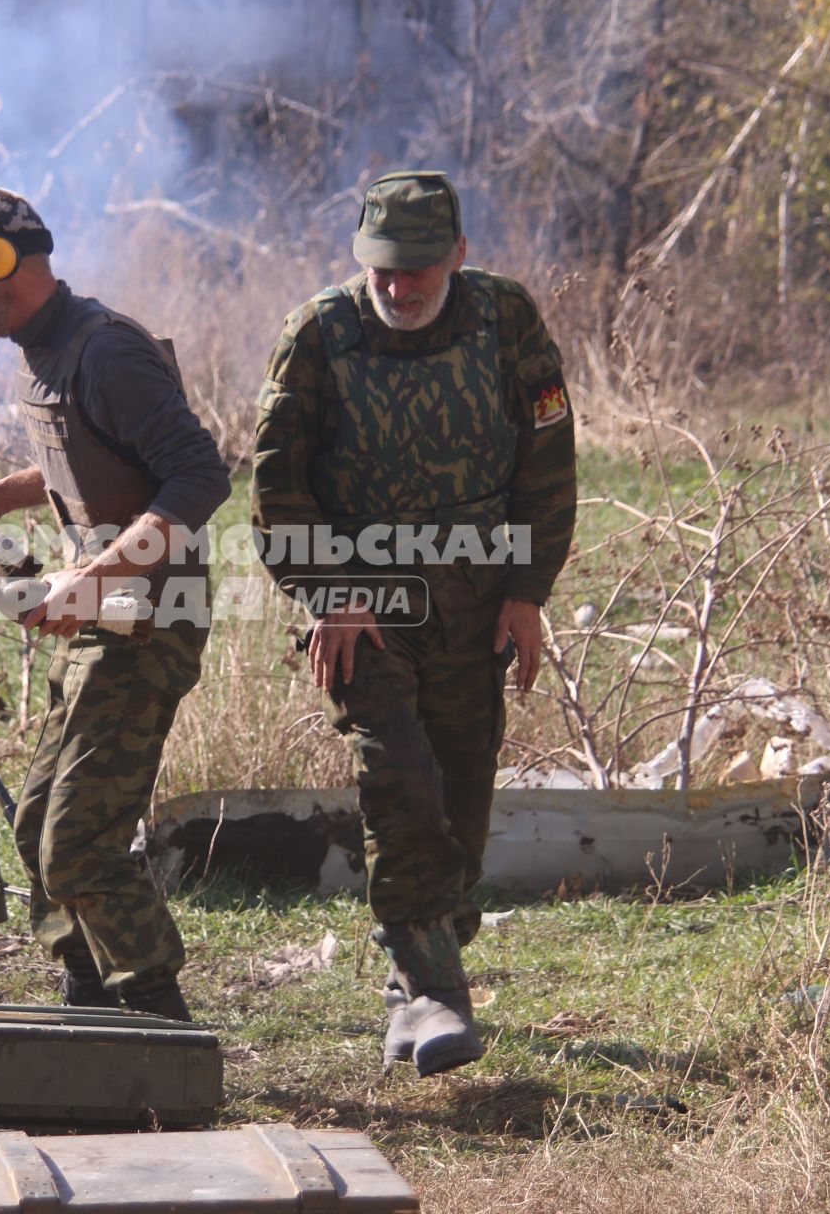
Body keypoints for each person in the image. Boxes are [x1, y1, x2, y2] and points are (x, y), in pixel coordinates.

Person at [251, 171, 577, 1074]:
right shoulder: (319, 335)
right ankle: (431, 995)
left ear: (459, 257)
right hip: (368, 607)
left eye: (418, 274)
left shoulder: (505, 320)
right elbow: (277, 488)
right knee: (399, 780)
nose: (398, 290)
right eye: (382, 272)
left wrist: (526, 590)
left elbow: (549, 458)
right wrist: (332, 591)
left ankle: (423, 962)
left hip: (474, 605)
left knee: (462, 790)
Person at [0, 187, 229, 1022]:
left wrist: (91, 578)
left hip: (146, 623)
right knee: (36, 829)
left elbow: (199, 477)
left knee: (78, 847)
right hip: (102, 619)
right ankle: (89, 998)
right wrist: (8, 494)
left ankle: (159, 1018)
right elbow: (101, 455)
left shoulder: (106, 352)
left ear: (0, 267)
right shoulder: (49, 348)